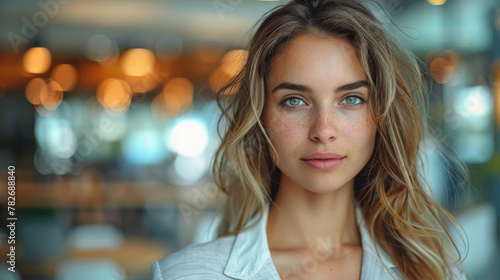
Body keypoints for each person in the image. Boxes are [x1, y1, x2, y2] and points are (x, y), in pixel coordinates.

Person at [152, 0, 469, 279]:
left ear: (382, 116)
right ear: (259, 116)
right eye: (294, 100)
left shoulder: (435, 271)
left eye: (352, 99)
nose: (323, 129)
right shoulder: (186, 274)